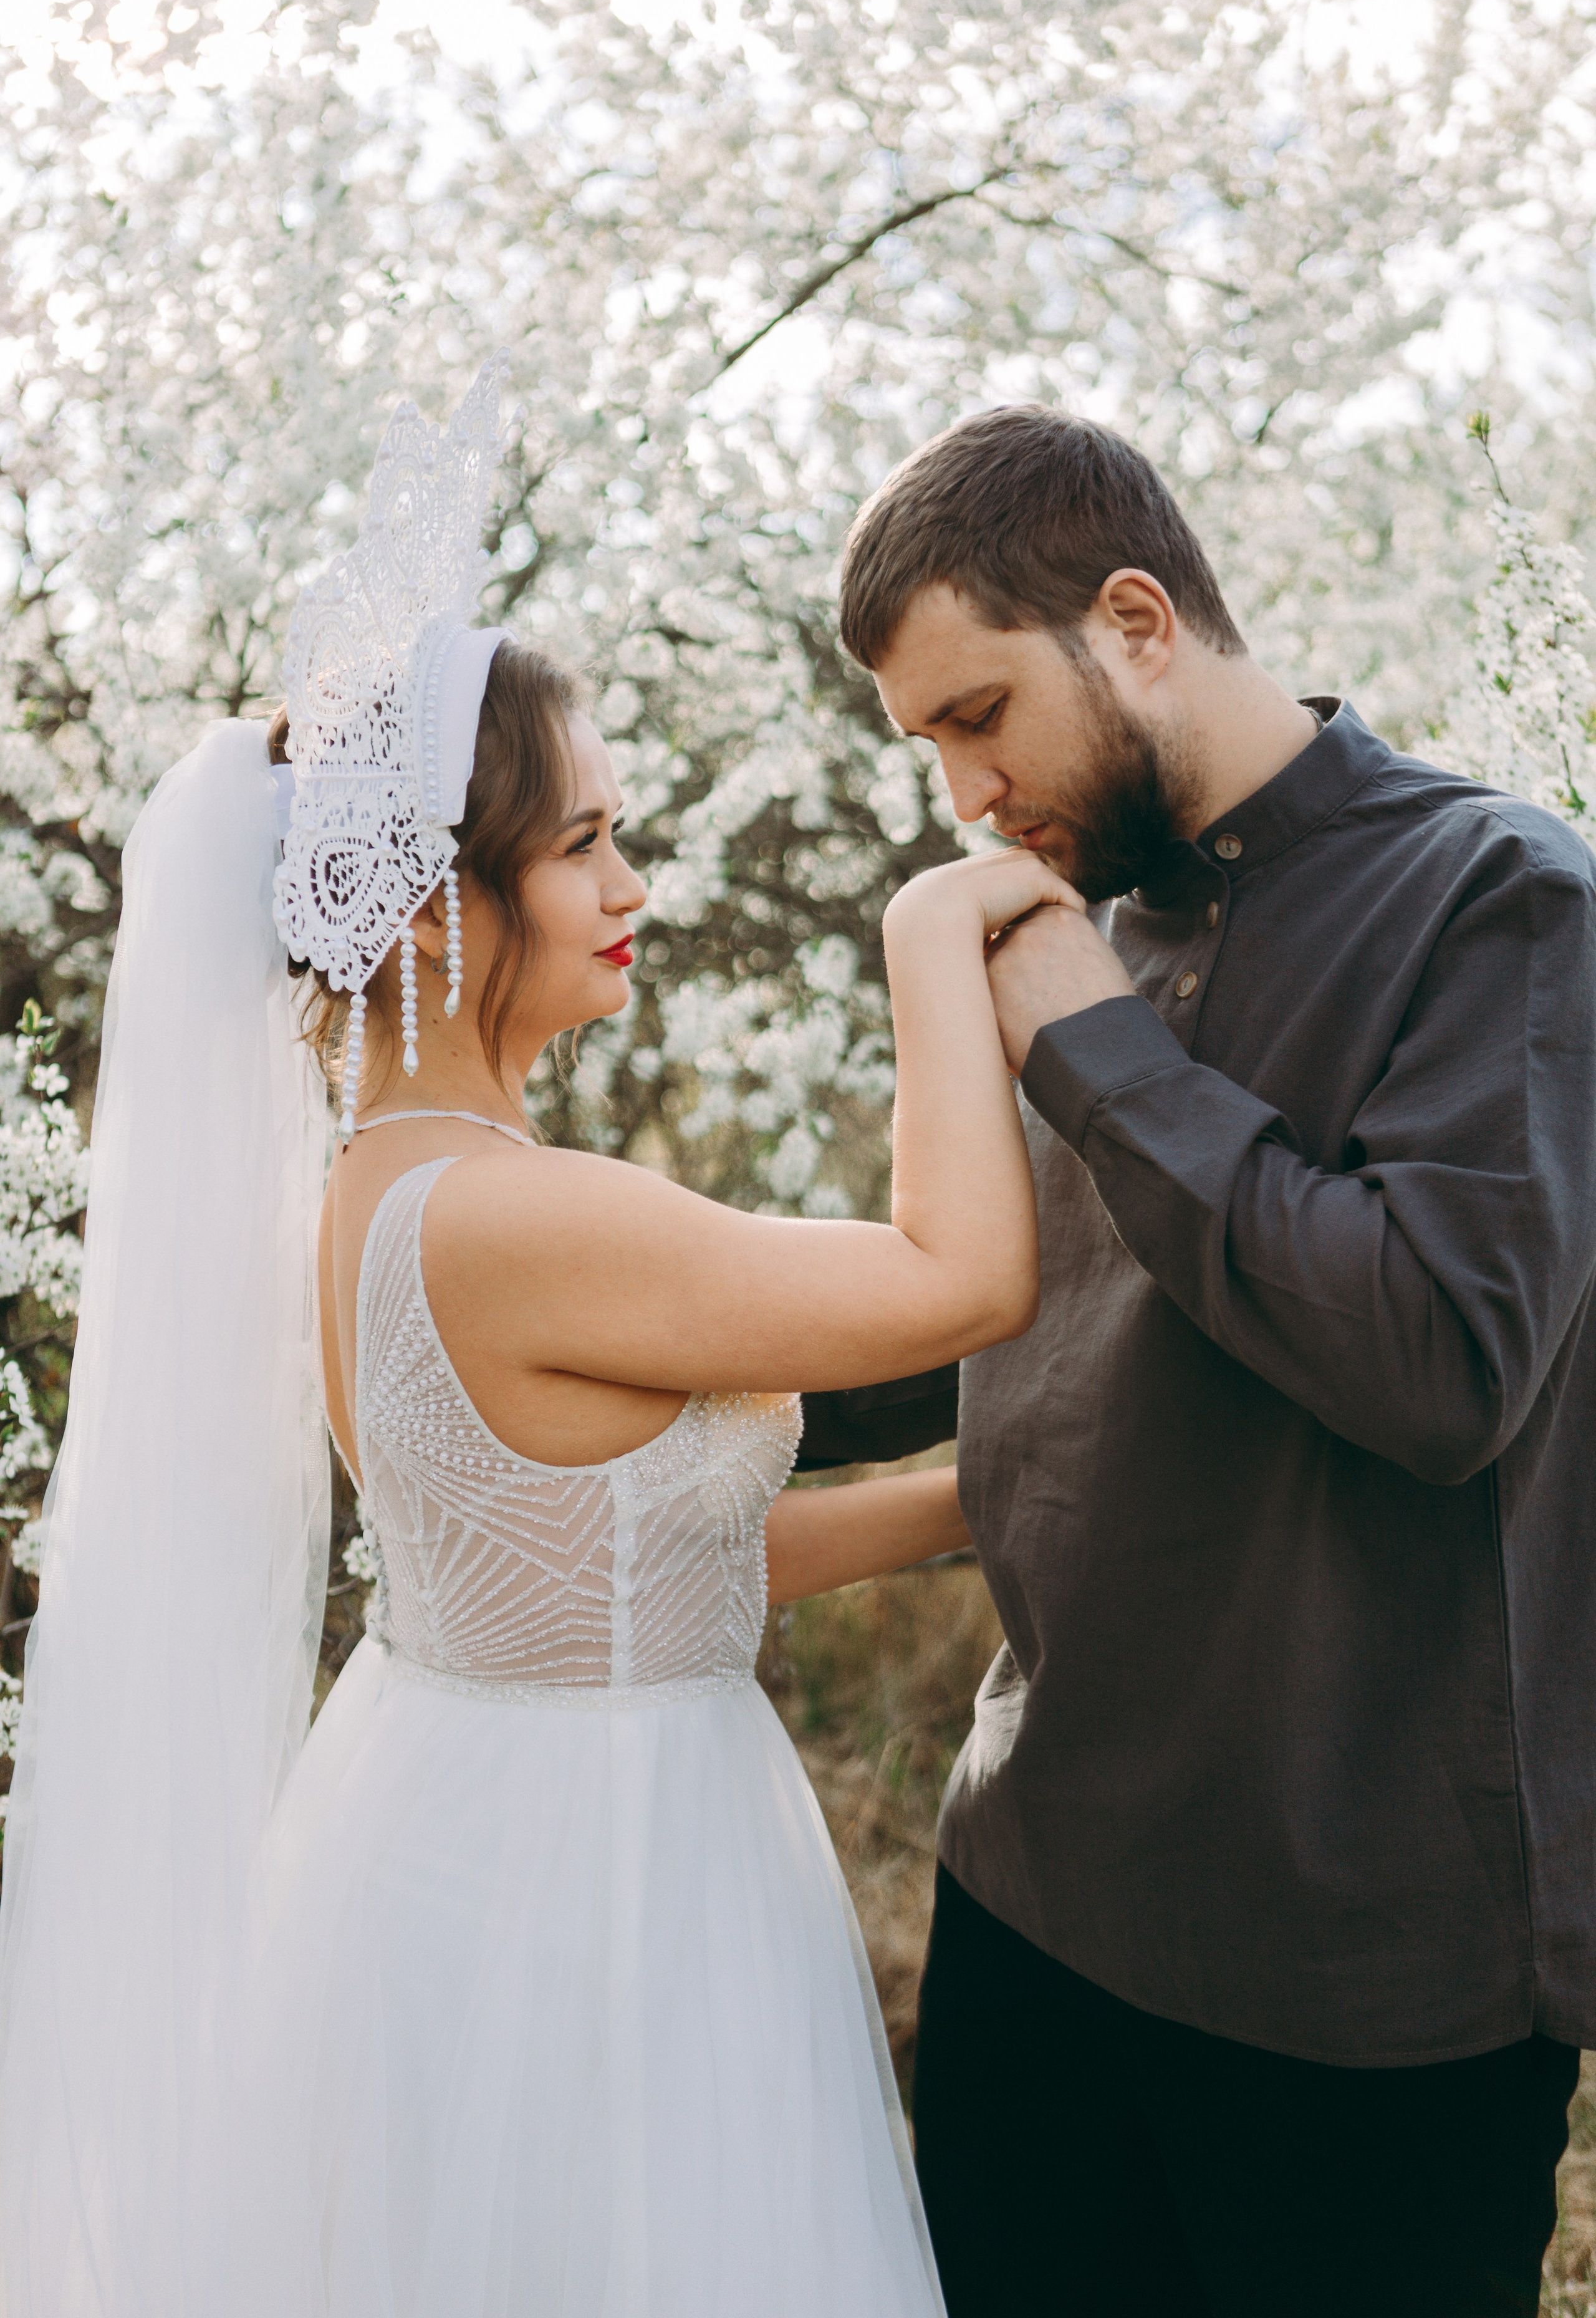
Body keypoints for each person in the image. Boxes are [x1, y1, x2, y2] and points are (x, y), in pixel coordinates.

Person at [0, 361, 1064, 2317]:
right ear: (427, 916)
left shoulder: (376, 1192)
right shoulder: (520, 1217)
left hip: (466, 1833)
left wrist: (982, 1504)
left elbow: (642, 1569)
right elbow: (962, 1281)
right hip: (603, 1903)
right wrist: (939, 927)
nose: (631, 886)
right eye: (583, 845)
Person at [801, 402, 1596, 2318]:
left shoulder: (1505, 903)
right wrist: (614, 1364)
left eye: (980, 718)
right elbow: (982, 1300)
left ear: (1138, 620)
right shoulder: (1089, 921)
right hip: (1030, 1907)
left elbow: (1436, 1363)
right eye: (928, 751)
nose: (966, 798)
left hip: (1362, 1988)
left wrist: (1091, 1045)